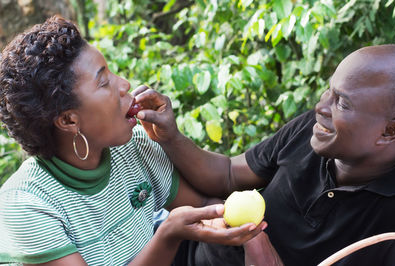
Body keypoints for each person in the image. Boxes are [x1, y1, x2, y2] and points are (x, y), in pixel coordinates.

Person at [0, 16, 266, 265]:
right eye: (104, 83)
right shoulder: (25, 204)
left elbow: (204, 208)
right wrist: (169, 235)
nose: (124, 84)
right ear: (69, 121)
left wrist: (236, 223)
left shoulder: (133, 147)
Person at [133, 44, 395, 265]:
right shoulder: (311, 130)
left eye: (341, 102)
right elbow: (227, 174)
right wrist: (170, 137)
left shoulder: (392, 228)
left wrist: (260, 250)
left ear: (390, 131)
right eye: (328, 90)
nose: (321, 107)